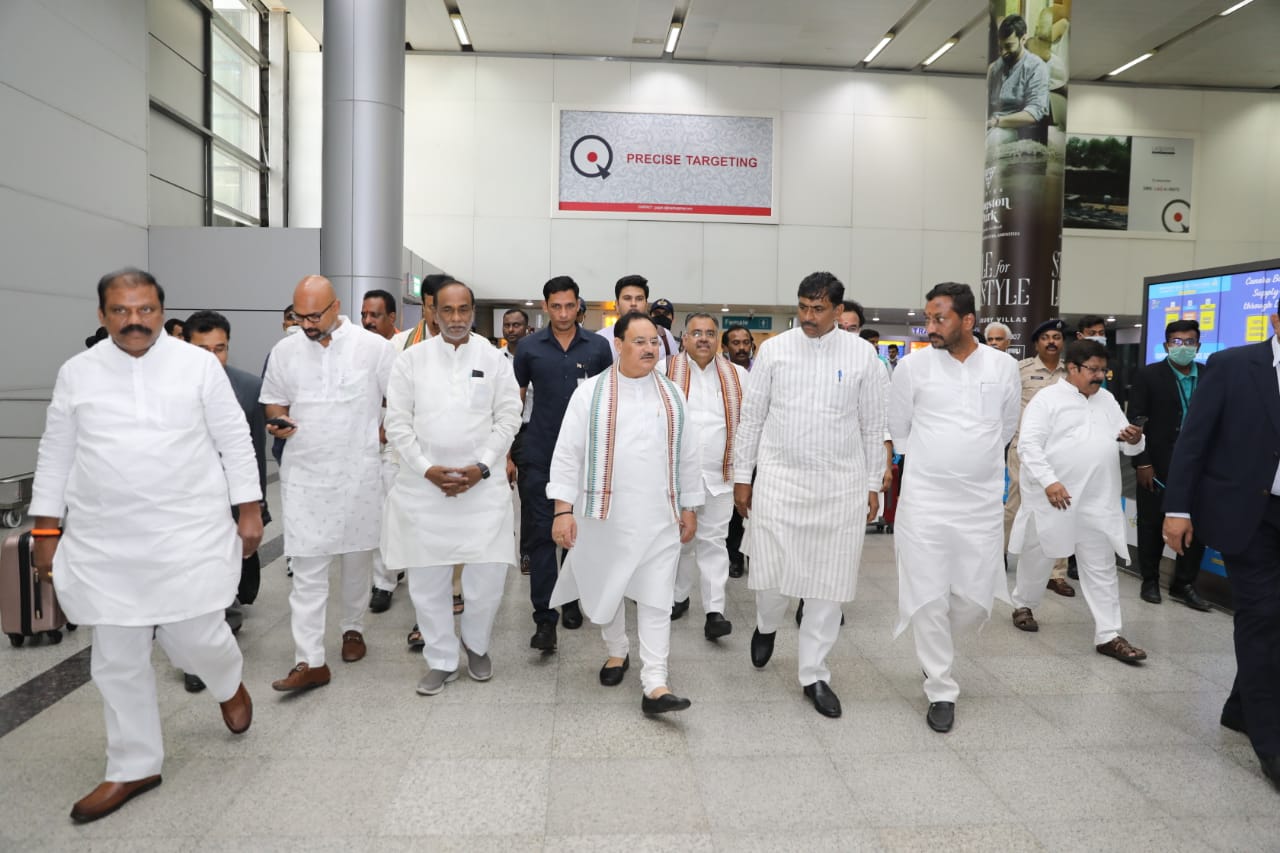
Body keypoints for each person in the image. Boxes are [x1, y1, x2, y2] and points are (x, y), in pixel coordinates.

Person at [30, 268, 261, 822]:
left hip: (188, 533)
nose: (134, 321)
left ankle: (227, 682)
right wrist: (44, 530)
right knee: (115, 656)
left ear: (162, 310)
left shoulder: (198, 366)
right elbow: (55, 452)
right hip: (106, 541)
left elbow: (234, 437)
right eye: (121, 311)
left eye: (145, 310)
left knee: (197, 637)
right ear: (102, 314)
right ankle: (134, 765)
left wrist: (249, 509)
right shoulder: (77, 374)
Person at [733, 272, 887, 719]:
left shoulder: (863, 356)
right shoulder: (775, 351)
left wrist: (872, 482)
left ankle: (814, 674)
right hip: (780, 479)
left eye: (818, 309)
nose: (808, 317)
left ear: (839, 311)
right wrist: (744, 476)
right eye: (803, 307)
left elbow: (872, 426)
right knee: (773, 574)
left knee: (828, 584)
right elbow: (752, 416)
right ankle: (766, 625)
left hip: (841, 485)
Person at [548, 312, 703, 715]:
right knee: (607, 587)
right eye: (640, 341)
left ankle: (656, 682)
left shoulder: (673, 395)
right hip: (603, 515)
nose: (650, 348)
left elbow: (689, 456)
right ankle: (617, 651)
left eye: (654, 342)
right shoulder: (591, 394)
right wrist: (562, 511)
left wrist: (690, 506)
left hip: (659, 515)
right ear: (618, 345)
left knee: (656, 597)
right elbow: (567, 454)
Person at [889, 282, 1020, 734]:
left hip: (980, 503)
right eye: (927, 318)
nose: (930, 328)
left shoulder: (1003, 368)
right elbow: (899, 428)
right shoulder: (912, 367)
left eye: (939, 318)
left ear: (968, 321)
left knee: (972, 599)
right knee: (927, 597)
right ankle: (940, 686)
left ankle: (936, 650)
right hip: (924, 500)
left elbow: (1005, 427)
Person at [382, 281, 522, 696]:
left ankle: (476, 644)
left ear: (473, 311)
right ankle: (441, 658)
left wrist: (481, 466)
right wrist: (428, 470)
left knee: (488, 578)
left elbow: (509, 418)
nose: (457, 319)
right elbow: (397, 424)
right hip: (425, 490)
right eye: (448, 311)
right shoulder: (410, 361)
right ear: (433, 313)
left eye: (464, 310)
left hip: (482, 488)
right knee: (427, 582)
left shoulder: (495, 360)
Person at [1163, 311, 1280, 792]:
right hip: (1247, 515)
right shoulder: (1233, 365)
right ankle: (1272, 743)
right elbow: (1194, 441)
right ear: (1276, 317)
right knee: (1264, 614)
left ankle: (1239, 707)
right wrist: (1178, 509)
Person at [261, 275, 396, 692]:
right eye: (299, 316)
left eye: (314, 315)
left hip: (357, 474)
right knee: (307, 567)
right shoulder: (285, 350)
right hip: (305, 475)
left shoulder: (374, 349)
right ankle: (309, 659)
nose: (306, 324)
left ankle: (353, 628)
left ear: (336, 306)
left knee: (356, 560)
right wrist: (277, 422)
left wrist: (388, 432)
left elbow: (401, 400)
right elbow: (273, 399)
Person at [1009, 340, 1149, 663]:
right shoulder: (1047, 400)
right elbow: (1028, 446)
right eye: (1093, 370)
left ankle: (1109, 634)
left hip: (1097, 499)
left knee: (1100, 566)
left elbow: (1126, 444)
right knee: (1040, 552)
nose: (1100, 376)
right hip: (1054, 496)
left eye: (1104, 370)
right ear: (1072, 368)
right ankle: (1024, 603)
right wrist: (1049, 482)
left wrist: (1136, 439)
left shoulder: (1108, 400)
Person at [513, 276, 614, 651]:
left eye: (570, 306)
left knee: (577, 534)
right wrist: (512, 451)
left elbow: (607, 402)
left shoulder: (599, 348)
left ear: (579, 307)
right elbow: (515, 402)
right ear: (545, 307)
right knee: (541, 536)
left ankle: (571, 599)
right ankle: (544, 618)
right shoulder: (528, 348)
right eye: (556, 306)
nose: (563, 313)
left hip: (585, 457)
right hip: (540, 455)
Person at [181, 310, 269, 691]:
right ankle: (194, 657)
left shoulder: (248, 388)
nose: (213, 358)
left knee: (220, 581)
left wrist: (256, 509)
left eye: (220, 349)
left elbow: (253, 451)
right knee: (188, 582)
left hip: (229, 500)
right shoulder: (164, 386)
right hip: (180, 503)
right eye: (203, 349)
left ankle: (216, 642)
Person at [663, 313, 748, 640]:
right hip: (675, 480)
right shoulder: (663, 372)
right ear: (684, 339)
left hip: (720, 477)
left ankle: (715, 611)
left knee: (713, 543)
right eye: (696, 333)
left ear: (718, 339)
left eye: (710, 333)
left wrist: (745, 477)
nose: (703, 339)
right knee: (679, 543)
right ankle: (678, 597)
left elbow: (749, 428)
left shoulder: (738, 376)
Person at [1128, 319, 1212, 610]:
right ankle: (1149, 580)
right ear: (1166, 345)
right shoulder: (1149, 375)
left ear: (1198, 346)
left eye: (1189, 342)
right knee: (1151, 524)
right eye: (1177, 342)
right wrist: (1142, 462)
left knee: (1197, 526)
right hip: (1159, 465)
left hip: (1201, 468)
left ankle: (1184, 584)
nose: (1183, 347)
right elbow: (1136, 422)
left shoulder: (1209, 374)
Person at [1007, 318, 1074, 596]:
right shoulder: (1020, 370)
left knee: (1059, 508)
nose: (1051, 342)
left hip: (1059, 454)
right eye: (1045, 337)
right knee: (1015, 505)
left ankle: (1056, 574)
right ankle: (996, 557)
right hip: (1024, 449)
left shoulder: (1071, 373)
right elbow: (1007, 406)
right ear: (1036, 343)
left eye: (1056, 337)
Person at [502, 308, 535, 576]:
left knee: (531, 495)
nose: (512, 329)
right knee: (511, 496)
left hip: (530, 431)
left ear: (526, 328)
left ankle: (531, 550)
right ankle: (515, 550)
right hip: (504, 434)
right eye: (507, 325)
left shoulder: (534, 358)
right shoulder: (494, 359)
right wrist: (506, 455)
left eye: (517, 325)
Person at [721, 324, 755, 578]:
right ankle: (734, 557)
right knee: (734, 510)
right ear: (725, 348)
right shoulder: (722, 375)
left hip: (761, 453)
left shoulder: (762, 372)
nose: (742, 347)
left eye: (746, 342)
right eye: (736, 343)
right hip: (732, 452)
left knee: (757, 509)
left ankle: (756, 556)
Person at [985, 14, 1050, 145]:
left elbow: (1034, 113)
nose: (1003, 53)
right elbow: (987, 106)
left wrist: (997, 121)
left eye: (1009, 46)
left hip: (1015, 128)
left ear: (1023, 39)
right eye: (1000, 47)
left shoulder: (1037, 67)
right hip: (992, 124)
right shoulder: (994, 68)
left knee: (990, 142)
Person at [597, 275, 677, 358]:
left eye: (639, 298)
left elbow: (674, 368)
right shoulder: (601, 339)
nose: (633, 304)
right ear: (617, 305)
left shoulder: (664, 336)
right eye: (627, 298)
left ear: (646, 304)